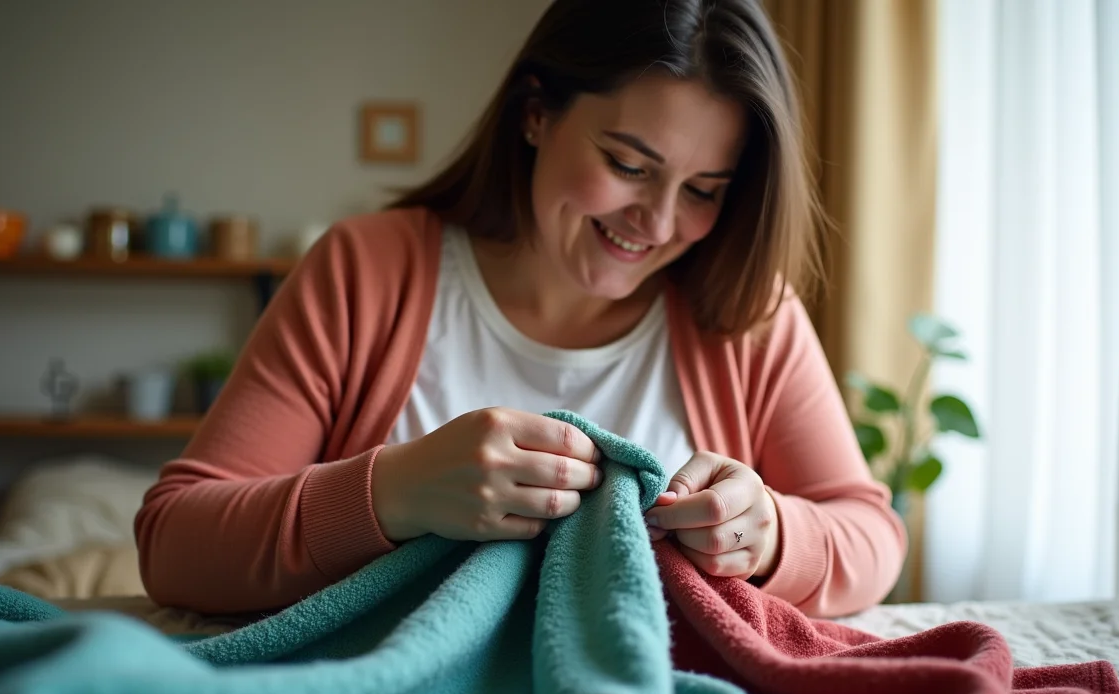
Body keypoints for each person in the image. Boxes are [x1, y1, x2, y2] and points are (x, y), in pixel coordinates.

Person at [134, 0, 906, 619]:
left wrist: (771, 534)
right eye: (628, 165)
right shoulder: (365, 271)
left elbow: (871, 536)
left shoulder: (747, 315)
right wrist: (393, 491)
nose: (659, 222)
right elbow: (173, 543)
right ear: (536, 113)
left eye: (703, 191)